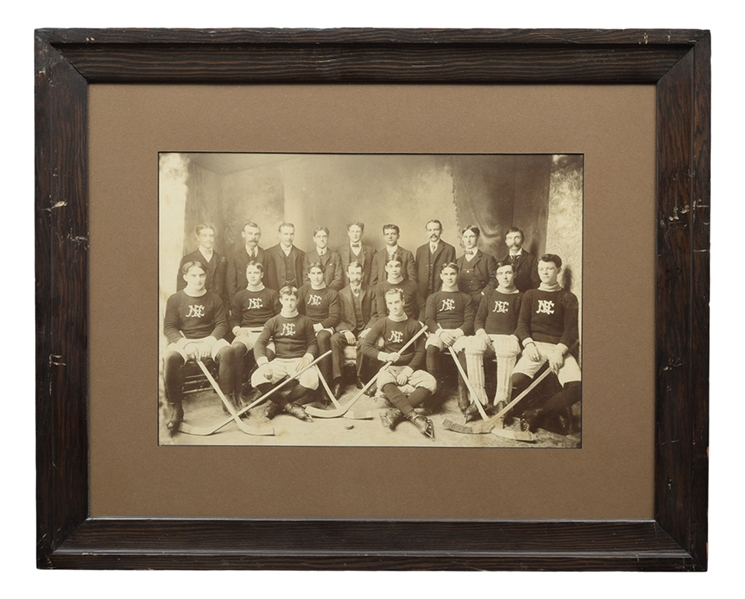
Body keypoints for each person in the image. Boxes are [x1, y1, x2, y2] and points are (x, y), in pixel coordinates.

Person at [503, 254, 581, 433]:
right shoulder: (530, 295)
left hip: (558, 348)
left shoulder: (568, 297)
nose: (545, 272)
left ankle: (538, 413)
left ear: (558, 270)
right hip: (535, 346)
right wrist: (529, 345)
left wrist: (560, 352)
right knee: (516, 381)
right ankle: (542, 412)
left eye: (550, 268)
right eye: (541, 269)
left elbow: (570, 330)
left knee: (578, 388)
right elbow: (522, 325)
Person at [163, 261, 235, 435]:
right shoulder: (175, 299)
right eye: (193, 275)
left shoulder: (214, 298)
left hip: (209, 339)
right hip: (186, 340)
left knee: (227, 351)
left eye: (201, 275)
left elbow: (221, 324)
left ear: (206, 276)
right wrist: (185, 344)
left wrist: (210, 342)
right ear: (186, 277)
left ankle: (226, 399)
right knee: (170, 357)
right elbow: (170, 327)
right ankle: (177, 408)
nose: (198, 279)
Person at [362, 288, 437, 438]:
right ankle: (413, 416)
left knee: (431, 382)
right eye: (390, 303)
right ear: (386, 305)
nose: (394, 306)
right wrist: (384, 356)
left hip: (409, 369)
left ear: (403, 301)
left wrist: (407, 371)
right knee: (382, 379)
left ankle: (397, 412)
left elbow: (420, 352)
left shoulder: (415, 325)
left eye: (397, 302)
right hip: (390, 368)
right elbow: (365, 346)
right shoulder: (381, 323)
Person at [250, 286, 319, 423]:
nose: (289, 303)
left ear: (297, 300)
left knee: (312, 379)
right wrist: (263, 364)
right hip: (280, 361)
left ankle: (277, 405)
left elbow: (313, 344)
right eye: (286, 299)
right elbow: (259, 344)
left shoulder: (305, 321)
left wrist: (307, 357)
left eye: (292, 299)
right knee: (257, 376)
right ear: (281, 300)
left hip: (299, 360)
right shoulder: (273, 321)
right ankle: (289, 407)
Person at [463, 260, 523, 418]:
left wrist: (514, 337)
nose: (505, 276)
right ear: (496, 276)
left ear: (515, 274)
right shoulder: (489, 294)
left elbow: (523, 324)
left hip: (509, 339)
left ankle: (502, 401)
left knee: (506, 350)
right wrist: (481, 333)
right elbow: (479, 319)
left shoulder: (521, 297)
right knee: (472, 347)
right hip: (488, 338)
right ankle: (478, 399)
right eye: (501, 273)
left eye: (508, 272)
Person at [423, 263, 475, 415]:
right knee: (432, 347)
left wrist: (458, 332)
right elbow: (429, 320)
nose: (449, 277)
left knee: (465, 349)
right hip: (440, 333)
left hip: (458, 334)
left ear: (457, 275)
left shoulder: (466, 298)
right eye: (445, 274)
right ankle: (433, 390)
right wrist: (441, 333)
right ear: (441, 276)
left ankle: (462, 391)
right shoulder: (433, 297)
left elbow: (470, 320)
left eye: (452, 274)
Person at [228, 261, 281, 400]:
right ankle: (238, 392)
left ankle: (257, 386)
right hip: (247, 332)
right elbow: (234, 318)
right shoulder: (240, 296)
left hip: (266, 333)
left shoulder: (271, 294)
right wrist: (237, 329)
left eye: (256, 272)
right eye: (249, 272)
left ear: (262, 274)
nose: (252, 276)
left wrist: (271, 331)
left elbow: (278, 317)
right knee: (236, 349)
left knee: (268, 354)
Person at [329, 260, 376, 397]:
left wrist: (369, 329)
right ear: (347, 274)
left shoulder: (371, 291)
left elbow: (376, 314)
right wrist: (346, 331)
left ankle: (360, 377)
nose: (355, 277)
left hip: (365, 329)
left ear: (363, 274)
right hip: (348, 329)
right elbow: (337, 317)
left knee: (364, 342)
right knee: (334, 339)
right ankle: (338, 380)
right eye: (352, 273)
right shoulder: (341, 293)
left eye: (358, 273)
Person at [298, 261, 341, 400]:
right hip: (308, 327)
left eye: (319, 273)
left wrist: (319, 326)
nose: (316, 277)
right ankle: (307, 385)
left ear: (324, 274)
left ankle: (325, 385)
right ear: (308, 275)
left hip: (325, 327)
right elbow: (298, 311)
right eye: (313, 273)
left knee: (322, 337)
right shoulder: (304, 290)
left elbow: (334, 316)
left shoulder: (331, 293)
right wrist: (306, 326)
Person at [176, 224, 227, 303]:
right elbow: (181, 287)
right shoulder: (188, 259)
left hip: (217, 306)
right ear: (198, 238)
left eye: (211, 236)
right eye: (204, 236)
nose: (208, 239)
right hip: (195, 305)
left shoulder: (221, 259)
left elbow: (226, 287)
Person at [415, 219, 457, 304]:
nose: (433, 233)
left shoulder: (449, 249)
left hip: (440, 288)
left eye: (436, 230)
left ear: (441, 231)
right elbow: (416, 271)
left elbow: (451, 272)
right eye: (430, 230)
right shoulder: (420, 250)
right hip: (422, 290)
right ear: (426, 232)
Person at [373, 253, 423, 322]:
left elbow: (423, 307)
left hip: (410, 324)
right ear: (386, 268)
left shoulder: (412, 285)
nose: (394, 270)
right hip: (390, 325)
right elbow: (382, 313)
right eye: (391, 266)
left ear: (402, 267)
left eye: (397, 266)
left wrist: (420, 323)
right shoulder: (380, 287)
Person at [226, 221, 266, 305]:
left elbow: (271, 281)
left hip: (263, 300)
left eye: (256, 234)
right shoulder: (234, 257)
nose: (253, 237)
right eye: (250, 233)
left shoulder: (266, 255)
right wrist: (234, 305)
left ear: (260, 236)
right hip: (242, 301)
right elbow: (231, 284)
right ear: (243, 234)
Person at [455, 225, 497, 304]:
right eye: (465, 237)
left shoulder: (488, 259)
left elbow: (494, 280)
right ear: (462, 238)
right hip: (462, 302)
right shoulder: (458, 261)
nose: (468, 240)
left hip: (481, 301)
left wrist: (483, 294)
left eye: (471, 236)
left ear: (478, 237)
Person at [264, 222, 305, 291]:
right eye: (286, 234)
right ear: (279, 235)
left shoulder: (301, 254)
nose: (289, 237)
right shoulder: (269, 253)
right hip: (276, 292)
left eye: (291, 234)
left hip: (296, 292)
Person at [302, 226, 344, 291]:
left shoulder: (335, 255)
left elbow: (338, 279)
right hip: (313, 294)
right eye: (318, 237)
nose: (322, 239)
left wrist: (327, 291)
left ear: (328, 238)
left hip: (331, 293)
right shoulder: (308, 256)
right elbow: (306, 279)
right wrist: (316, 291)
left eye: (324, 236)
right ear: (314, 239)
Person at [500, 226, 540, 293]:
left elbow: (535, 284)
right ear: (506, 241)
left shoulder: (531, 259)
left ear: (523, 240)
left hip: (524, 297)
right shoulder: (501, 260)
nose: (513, 241)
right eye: (510, 238)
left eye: (517, 238)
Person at [338, 221, 374, 288]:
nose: (355, 234)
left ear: (362, 233)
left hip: (366, 289)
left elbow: (374, 274)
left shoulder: (371, 251)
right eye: (352, 231)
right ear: (348, 233)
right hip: (345, 290)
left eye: (358, 231)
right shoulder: (340, 251)